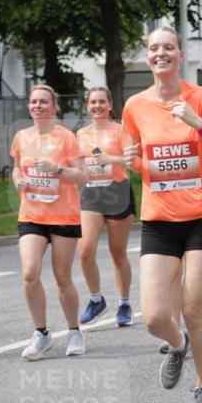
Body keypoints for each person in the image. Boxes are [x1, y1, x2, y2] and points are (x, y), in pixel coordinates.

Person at [121, 26, 202, 403]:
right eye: (154, 48)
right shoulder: (135, 105)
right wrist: (129, 161)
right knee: (155, 316)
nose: (161, 54)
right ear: (147, 55)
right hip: (159, 219)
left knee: (192, 307)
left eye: (168, 47)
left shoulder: (200, 98)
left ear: (180, 54)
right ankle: (177, 345)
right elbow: (138, 159)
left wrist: (198, 123)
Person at [11, 85, 88, 360]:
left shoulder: (66, 137)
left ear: (54, 106)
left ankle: (74, 330)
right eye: (34, 101)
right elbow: (17, 168)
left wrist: (57, 169)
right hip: (31, 215)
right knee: (29, 273)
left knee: (62, 277)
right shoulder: (22, 136)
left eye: (44, 101)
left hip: (64, 215)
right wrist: (17, 179)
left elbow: (83, 177)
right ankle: (41, 333)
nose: (38, 106)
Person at [75, 87, 136, 327]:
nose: (97, 106)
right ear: (87, 106)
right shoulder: (80, 134)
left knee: (117, 253)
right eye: (93, 102)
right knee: (85, 249)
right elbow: (76, 164)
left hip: (117, 191)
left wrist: (112, 159)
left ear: (110, 104)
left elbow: (133, 162)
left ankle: (124, 303)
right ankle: (96, 300)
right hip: (91, 193)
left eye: (102, 102)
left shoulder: (121, 130)